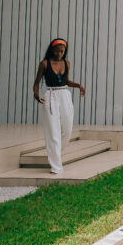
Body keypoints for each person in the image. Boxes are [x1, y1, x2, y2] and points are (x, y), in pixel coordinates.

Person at [32, 38, 86, 174]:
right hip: (50, 96)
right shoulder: (44, 63)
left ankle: (56, 154)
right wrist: (36, 94)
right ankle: (56, 166)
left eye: (62, 51)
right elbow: (37, 82)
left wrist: (78, 86)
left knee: (67, 130)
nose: (60, 53)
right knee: (53, 131)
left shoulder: (67, 63)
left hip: (64, 95)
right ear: (52, 49)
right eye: (57, 50)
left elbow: (67, 81)